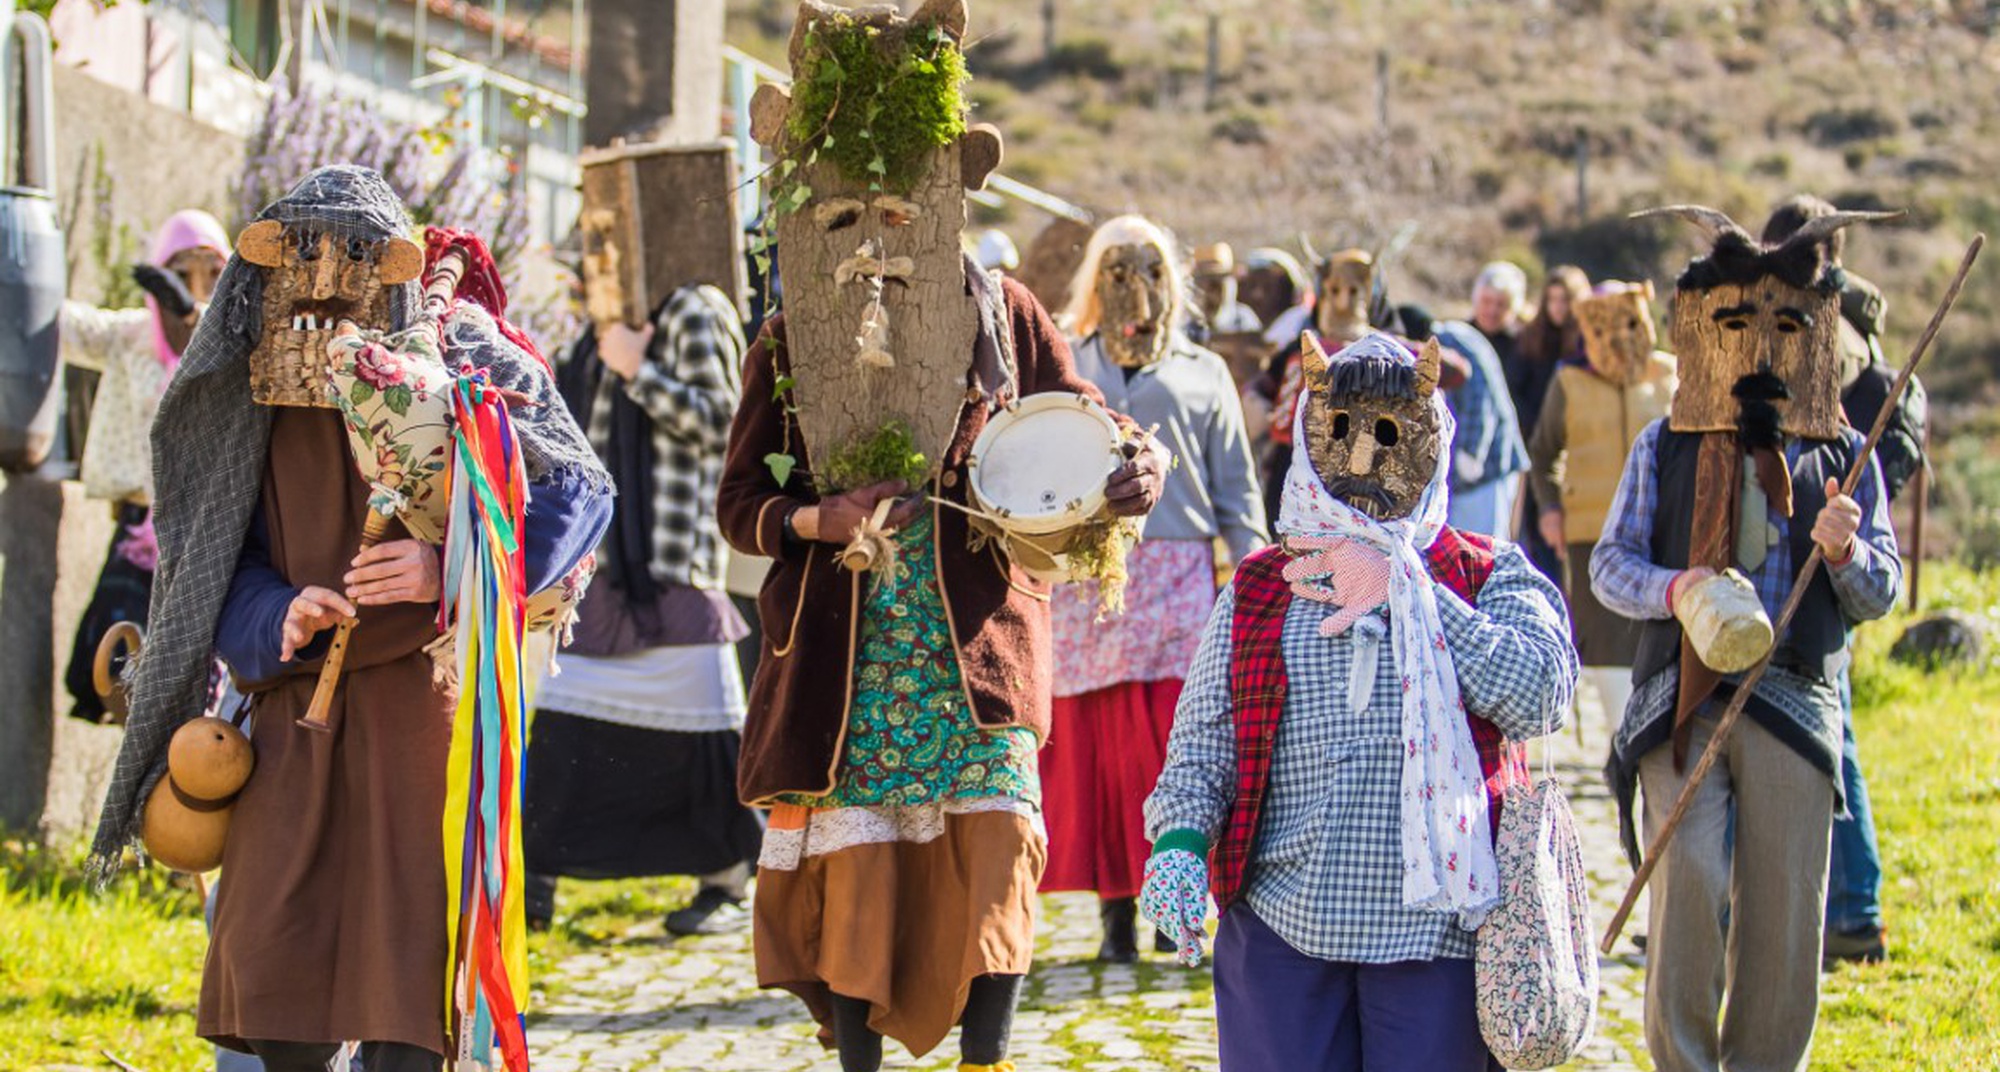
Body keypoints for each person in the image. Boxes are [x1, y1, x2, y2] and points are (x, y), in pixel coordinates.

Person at [721, 6, 1168, 1070]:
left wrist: (1128, 470)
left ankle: (986, 1060)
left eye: (900, 200)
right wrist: (813, 519)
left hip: (977, 648)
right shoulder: (792, 337)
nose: (876, 227)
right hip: (847, 662)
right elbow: (739, 501)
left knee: (996, 845)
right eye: (848, 206)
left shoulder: (1002, 312)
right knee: (858, 880)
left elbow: (1083, 428)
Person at [87, 166, 611, 1072]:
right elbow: (217, 558)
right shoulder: (242, 376)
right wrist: (275, 613)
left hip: (423, 719)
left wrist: (446, 566)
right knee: (282, 990)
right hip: (289, 723)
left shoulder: (464, 348)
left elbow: (577, 492)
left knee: (407, 1013)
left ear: (392, 264)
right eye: (303, 256)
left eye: (354, 256)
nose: (328, 279)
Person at [1141, 330, 1576, 1071]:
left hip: (1439, 931)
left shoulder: (1485, 571)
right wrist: (1179, 839)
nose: (1366, 459)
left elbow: (1540, 695)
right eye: (1343, 432)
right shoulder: (1261, 583)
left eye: (1388, 434)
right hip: (1283, 922)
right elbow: (1206, 735)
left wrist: (1413, 596)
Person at [1593, 204, 1901, 1072]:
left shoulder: (1843, 451)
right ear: (1705, 330)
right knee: (1685, 880)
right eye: (1737, 321)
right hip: (1681, 704)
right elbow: (1611, 566)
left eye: (1785, 325)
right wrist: (1680, 589)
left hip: (1796, 699)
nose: (1761, 345)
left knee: (1784, 909)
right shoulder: (1664, 444)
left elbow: (1881, 590)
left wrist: (1842, 551)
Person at [1043, 216, 1267, 962]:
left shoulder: (1204, 372)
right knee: (1102, 753)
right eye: (1116, 273)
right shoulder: (1067, 365)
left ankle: (1174, 905)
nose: (1133, 290)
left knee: (1175, 746)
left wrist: (1261, 574)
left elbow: (1236, 489)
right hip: (1090, 580)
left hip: (1177, 578)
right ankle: (1114, 914)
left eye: (1147, 273)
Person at [526, 282, 765, 936]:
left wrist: (640, 371)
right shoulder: (599, 318)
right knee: (558, 724)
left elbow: (729, 424)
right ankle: (534, 882)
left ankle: (727, 880)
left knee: (707, 733)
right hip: (601, 564)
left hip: (670, 558)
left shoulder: (695, 306)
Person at [1762, 194, 1925, 968]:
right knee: (1831, 737)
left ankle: (1855, 912)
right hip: (1810, 541)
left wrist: (1848, 523)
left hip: (1837, 539)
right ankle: (1845, 913)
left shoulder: (1832, 328)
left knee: (1835, 740)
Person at [58, 210, 231, 723]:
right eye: (180, 273)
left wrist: (195, 315)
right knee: (118, 664)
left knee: (190, 678)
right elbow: (66, 324)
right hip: (139, 528)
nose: (198, 285)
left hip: (204, 531)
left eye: (213, 273)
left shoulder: (228, 345)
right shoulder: (132, 335)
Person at [1526, 281, 1676, 732]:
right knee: (1608, 647)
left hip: (1662, 530)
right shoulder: (1569, 379)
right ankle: (1621, 739)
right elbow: (1543, 451)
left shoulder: (1670, 375)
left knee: (1658, 635)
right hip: (1590, 531)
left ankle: (1655, 735)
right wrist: (1550, 509)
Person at [1438, 313, 1528, 540]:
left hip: (1486, 470)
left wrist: (1471, 455)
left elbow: (1479, 399)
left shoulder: (1448, 341)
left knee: (1483, 555)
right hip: (1487, 469)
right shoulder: (1460, 334)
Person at [1188, 241, 1262, 340]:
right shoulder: (1184, 322)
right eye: (1206, 282)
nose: (1212, 293)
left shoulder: (1243, 319)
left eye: (1217, 284)